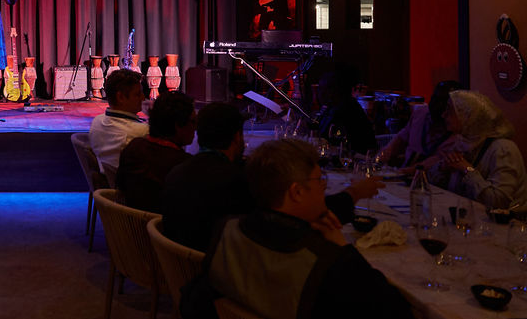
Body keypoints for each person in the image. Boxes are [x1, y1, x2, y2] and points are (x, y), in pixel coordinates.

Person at [183, 139, 414, 319]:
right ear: (297, 192)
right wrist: (343, 249)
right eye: (319, 181)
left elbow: (192, 309)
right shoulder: (326, 262)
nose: (323, 188)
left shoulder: (229, 231)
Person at [163, 102, 383, 252]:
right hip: (229, 285)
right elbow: (300, 215)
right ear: (237, 137)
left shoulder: (176, 172)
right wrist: (354, 193)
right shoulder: (238, 182)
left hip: (186, 272)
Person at [439, 90, 527, 210]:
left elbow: (498, 201)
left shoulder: (503, 148)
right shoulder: (463, 142)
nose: (443, 115)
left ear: (468, 115)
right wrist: (443, 169)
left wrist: (467, 170)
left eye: (449, 110)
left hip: (508, 220)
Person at [116, 92, 195, 212]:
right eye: (193, 122)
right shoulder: (184, 165)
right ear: (178, 125)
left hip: (128, 222)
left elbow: (120, 190)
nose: (195, 127)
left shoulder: (133, 147)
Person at [380, 80, 462, 169]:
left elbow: (428, 165)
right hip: (403, 172)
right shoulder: (420, 113)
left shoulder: (457, 134)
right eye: (435, 98)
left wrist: (398, 173)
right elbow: (401, 138)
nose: (437, 105)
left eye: (444, 101)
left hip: (427, 176)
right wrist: (383, 155)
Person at [88, 69, 148, 177]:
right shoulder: (142, 131)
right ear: (120, 97)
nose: (143, 98)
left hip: (111, 182)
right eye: (138, 94)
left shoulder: (96, 122)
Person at [315, 69, 376, 154]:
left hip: (356, 158)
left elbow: (329, 140)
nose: (318, 93)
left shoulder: (345, 109)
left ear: (332, 91)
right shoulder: (334, 107)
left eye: (321, 89)